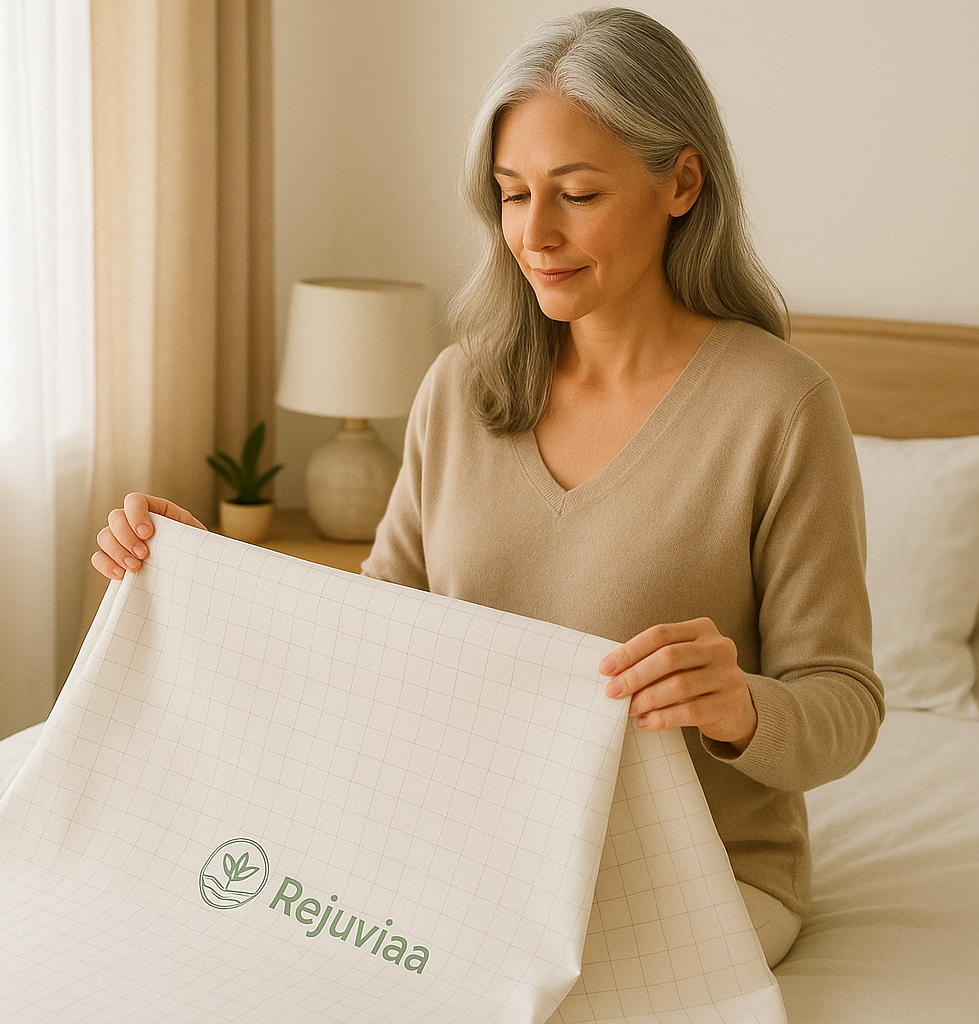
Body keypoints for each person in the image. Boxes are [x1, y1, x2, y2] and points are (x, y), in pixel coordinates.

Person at [93, 8, 883, 969]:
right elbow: (374, 631)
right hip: (469, 852)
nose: (535, 234)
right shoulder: (462, 386)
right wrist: (203, 572)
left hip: (694, 873)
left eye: (578, 193)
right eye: (511, 195)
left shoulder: (783, 406)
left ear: (682, 181)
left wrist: (738, 708)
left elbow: (842, 705)